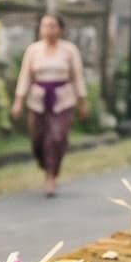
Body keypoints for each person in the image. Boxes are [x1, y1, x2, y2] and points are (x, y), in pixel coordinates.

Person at [12, 12, 89, 197]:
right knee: (37, 139)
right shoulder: (33, 50)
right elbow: (25, 76)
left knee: (56, 137)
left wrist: (82, 102)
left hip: (63, 100)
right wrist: (18, 101)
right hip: (38, 100)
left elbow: (77, 76)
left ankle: (51, 177)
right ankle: (46, 164)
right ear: (40, 29)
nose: (49, 30)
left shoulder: (69, 50)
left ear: (60, 29)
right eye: (45, 26)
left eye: (53, 26)